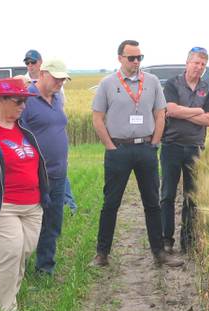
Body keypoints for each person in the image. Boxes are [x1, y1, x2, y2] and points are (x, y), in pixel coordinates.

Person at [90, 40, 182, 268]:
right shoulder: (107, 84)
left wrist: (155, 143)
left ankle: (159, 252)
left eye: (140, 57)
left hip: (145, 149)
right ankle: (102, 254)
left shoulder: (151, 82)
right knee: (111, 203)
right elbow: (97, 118)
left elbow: (160, 114)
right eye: (132, 58)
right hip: (118, 150)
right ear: (120, 58)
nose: (136, 62)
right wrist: (110, 146)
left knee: (152, 203)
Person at [0, 78, 48, 311]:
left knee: (23, 253)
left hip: (32, 204)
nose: (23, 106)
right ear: (1, 101)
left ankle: (9, 301)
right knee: (9, 253)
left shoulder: (24, 127)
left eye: (25, 101)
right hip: (2, 204)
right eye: (18, 101)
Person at [160, 47, 209, 255]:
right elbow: (171, 109)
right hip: (171, 146)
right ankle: (166, 240)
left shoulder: (206, 88)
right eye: (196, 63)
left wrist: (184, 114)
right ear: (187, 63)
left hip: (195, 148)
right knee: (167, 194)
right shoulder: (173, 84)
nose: (199, 67)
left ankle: (188, 241)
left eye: (203, 64)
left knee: (192, 196)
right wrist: (198, 111)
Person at [19, 59, 71, 274]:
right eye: (56, 78)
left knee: (52, 222)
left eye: (63, 79)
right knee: (29, 224)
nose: (60, 82)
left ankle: (45, 267)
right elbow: (17, 135)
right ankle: (17, 267)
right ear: (42, 74)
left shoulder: (58, 98)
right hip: (34, 174)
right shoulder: (26, 99)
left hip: (58, 173)